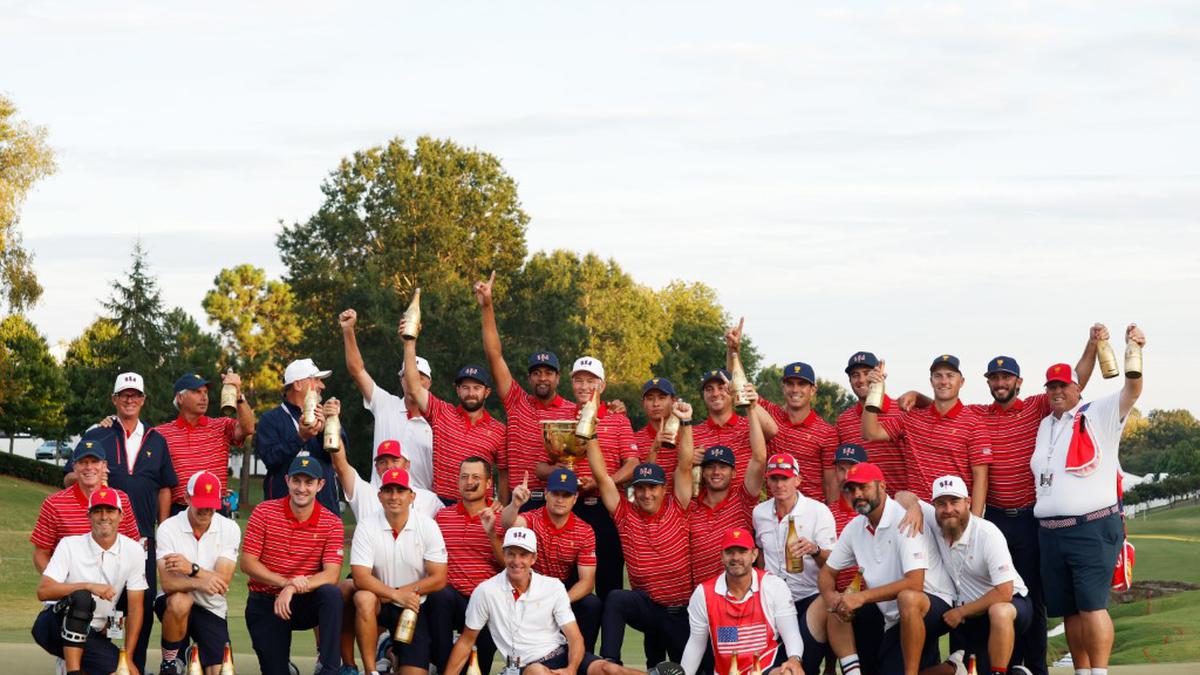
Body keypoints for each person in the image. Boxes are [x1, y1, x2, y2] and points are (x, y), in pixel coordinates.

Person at [1031, 323, 1146, 675]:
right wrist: (1091, 344)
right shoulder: (1045, 424)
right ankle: (1082, 671)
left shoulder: (1100, 413)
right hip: (1051, 533)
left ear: (1077, 387)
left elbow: (1132, 389)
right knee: (1069, 610)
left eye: (1063, 385)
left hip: (1091, 527)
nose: (1056, 391)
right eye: (1051, 386)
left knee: (1093, 607)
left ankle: (1099, 672)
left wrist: (1136, 350)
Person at [63, 371, 177, 672]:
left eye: (135, 395)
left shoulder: (157, 439)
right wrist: (92, 475)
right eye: (124, 395)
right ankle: (98, 664)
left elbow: (165, 487)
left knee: (140, 602)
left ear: (143, 400)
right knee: (98, 602)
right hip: (100, 538)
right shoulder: (97, 434)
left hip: (142, 538)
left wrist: (162, 530)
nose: (130, 399)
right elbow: (68, 476)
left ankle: (132, 666)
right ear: (114, 399)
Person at [445, 527, 654, 675]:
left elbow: (574, 638)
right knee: (538, 673)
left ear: (533, 559)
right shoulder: (486, 591)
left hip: (562, 656)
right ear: (504, 555)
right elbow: (466, 642)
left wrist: (571, 669)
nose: (517, 561)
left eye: (523, 555)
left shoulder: (553, 587)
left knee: (610, 669)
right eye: (511, 554)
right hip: (525, 666)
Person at [819, 463, 956, 675]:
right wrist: (831, 598)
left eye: (864, 487)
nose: (857, 494)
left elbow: (915, 583)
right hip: (891, 611)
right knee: (837, 604)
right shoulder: (855, 527)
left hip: (932, 603)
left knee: (907, 598)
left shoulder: (905, 518)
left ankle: (952, 670)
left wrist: (861, 597)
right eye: (851, 489)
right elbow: (828, 572)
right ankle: (853, 671)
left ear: (882, 486)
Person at [591, 401, 695, 666]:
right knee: (616, 598)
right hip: (648, 608)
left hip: (680, 613)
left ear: (663, 489)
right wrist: (590, 433)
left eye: (653, 488)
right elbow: (602, 477)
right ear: (633, 491)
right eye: (641, 489)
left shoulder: (678, 504)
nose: (647, 494)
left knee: (682, 670)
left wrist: (686, 423)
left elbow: (684, 466)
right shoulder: (625, 513)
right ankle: (610, 664)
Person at [538, 355, 640, 600]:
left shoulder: (617, 420)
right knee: (569, 583)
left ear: (602, 386)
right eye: (579, 381)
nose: (584, 387)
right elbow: (540, 468)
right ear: (572, 385)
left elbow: (633, 464)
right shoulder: (562, 418)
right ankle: (569, 638)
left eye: (591, 381)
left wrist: (605, 482)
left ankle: (609, 640)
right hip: (570, 510)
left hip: (607, 511)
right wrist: (561, 471)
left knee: (609, 584)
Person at [474, 272, 577, 510]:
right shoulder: (516, 401)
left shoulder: (573, 412)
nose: (542, 378)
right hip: (520, 501)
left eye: (548, 373)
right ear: (529, 377)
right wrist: (487, 307)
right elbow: (494, 355)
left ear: (558, 377)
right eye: (537, 373)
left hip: (558, 499)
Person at [241, 454, 345, 675]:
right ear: (287, 481)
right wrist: (284, 582)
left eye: (309, 482)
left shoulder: (332, 522)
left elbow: (332, 575)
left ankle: (329, 669)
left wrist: (292, 587)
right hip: (267, 600)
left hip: (306, 602)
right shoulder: (264, 512)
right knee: (275, 671)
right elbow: (248, 563)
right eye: (297, 481)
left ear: (321, 485)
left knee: (331, 595)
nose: (302, 488)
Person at [921, 475, 1033, 675]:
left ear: (968, 502)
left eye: (955, 501)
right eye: (941, 504)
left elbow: (1004, 592)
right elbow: (905, 497)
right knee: (957, 670)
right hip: (972, 619)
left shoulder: (988, 533)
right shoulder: (938, 522)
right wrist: (912, 508)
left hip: (1010, 606)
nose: (948, 510)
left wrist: (961, 613)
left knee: (1000, 610)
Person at [33, 488, 148, 675]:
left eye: (110, 511)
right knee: (82, 597)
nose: (104, 517)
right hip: (53, 625)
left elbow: (136, 607)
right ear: (89, 516)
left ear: (121, 516)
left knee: (123, 672)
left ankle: (76, 664)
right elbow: (43, 591)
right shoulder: (69, 544)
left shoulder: (134, 550)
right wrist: (87, 585)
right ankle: (73, 671)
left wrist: (127, 657)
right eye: (97, 511)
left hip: (93, 633)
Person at [349, 467, 448, 675]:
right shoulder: (367, 526)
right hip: (379, 602)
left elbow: (439, 578)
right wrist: (395, 594)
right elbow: (360, 576)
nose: (394, 496)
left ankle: (390, 651)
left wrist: (403, 594)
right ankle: (370, 671)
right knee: (364, 598)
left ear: (412, 496)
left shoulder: (428, 526)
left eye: (400, 491)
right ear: (379, 495)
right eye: (388, 490)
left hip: (413, 606)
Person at [862, 356, 992, 509]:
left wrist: (974, 525)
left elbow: (981, 479)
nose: (943, 381)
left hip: (953, 515)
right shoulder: (912, 417)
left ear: (961, 382)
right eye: (938, 376)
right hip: (916, 515)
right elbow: (870, 433)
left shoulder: (974, 424)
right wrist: (872, 390)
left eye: (950, 376)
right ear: (931, 381)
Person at [401, 317, 507, 505]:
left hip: (481, 507)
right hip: (442, 504)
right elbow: (415, 388)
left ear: (487, 392)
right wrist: (410, 343)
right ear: (457, 390)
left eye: (477, 388)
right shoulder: (442, 413)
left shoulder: (499, 430)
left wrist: (503, 504)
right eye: (465, 387)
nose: (471, 393)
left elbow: (504, 474)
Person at [751, 452, 837, 675]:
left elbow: (834, 562)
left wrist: (814, 549)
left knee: (805, 665)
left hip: (808, 597)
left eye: (785, 478)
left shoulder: (818, 511)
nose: (780, 484)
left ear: (797, 480)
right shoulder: (759, 512)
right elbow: (760, 551)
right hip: (772, 600)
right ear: (767, 480)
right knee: (773, 666)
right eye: (774, 478)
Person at [681, 528, 807, 675]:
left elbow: (791, 632)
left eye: (742, 551)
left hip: (766, 668)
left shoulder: (773, 585)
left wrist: (794, 660)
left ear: (754, 555)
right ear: (721, 556)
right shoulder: (703, 593)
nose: (736, 557)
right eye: (729, 552)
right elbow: (696, 643)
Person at [502, 468, 602, 651]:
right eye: (556, 493)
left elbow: (587, 583)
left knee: (591, 604)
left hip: (563, 591)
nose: (560, 499)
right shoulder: (531, 519)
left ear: (575, 498)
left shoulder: (585, 530)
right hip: (531, 589)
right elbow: (508, 524)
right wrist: (515, 505)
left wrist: (557, 601)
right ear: (546, 494)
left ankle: (583, 660)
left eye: (566, 495)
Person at [154, 470, 241, 675]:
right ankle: (170, 661)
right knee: (180, 601)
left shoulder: (230, 528)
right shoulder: (168, 528)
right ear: (186, 498)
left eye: (211, 503)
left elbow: (222, 582)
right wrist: (201, 581)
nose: (206, 509)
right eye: (201, 502)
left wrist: (190, 569)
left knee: (219, 671)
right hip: (173, 603)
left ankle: (189, 654)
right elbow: (168, 583)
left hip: (211, 608)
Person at [340, 307, 435, 491]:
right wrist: (348, 330)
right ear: (401, 381)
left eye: (419, 377)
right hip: (380, 497)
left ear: (429, 383)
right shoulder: (385, 404)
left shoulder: (439, 419)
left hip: (421, 505)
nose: (412, 381)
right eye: (407, 376)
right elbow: (357, 370)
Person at [428, 457, 506, 675]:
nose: (469, 481)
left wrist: (492, 535)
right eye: (464, 477)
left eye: (476, 477)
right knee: (440, 595)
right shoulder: (442, 517)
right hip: (451, 599)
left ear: (489, 483)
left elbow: (509, 566)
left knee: (476, 668)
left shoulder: (501, 518)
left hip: (485, 601)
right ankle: (443, 667)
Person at [686, 381, 768, 588]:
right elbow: (680, 470)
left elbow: (759, 457)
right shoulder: (691, 505)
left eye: (722, 467)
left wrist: (750, 408)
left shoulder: (743, 499)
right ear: (702, 472)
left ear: (733, 472)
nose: (716, 472)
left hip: (740, 592)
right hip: (702, 597)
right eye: (710, 467)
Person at [32, 443, 142, 573]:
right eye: (83, 462)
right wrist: (58, 584)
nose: (89, 467)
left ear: (104, 466)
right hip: (73, 587)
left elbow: (134, 546)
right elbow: (41, 553)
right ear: (74, 467)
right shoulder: (54, 503)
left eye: (94, 462)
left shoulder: (121, 499)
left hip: (116, 584)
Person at [155, 372, 255, 514]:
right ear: (180, 398)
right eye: (197, 392)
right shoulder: (161, 433)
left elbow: (248, 427)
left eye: (206, 392)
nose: (204, 397)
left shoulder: (221, 426)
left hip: (215, 509)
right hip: (180, 512)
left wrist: (238, 396)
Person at [255, 359, 343, 513]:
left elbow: (342, 457)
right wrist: (300, 438)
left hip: (325, 514)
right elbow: (270, 459)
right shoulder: (270, 419)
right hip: (282, 516)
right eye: (316, 380)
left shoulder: (325, 416)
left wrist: (325, 430)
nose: (322, 386)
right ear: (297, 384)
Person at [757, 362, 840, 505]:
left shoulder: (826, 432)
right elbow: (738, 387)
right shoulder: (770, 415)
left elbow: (830, 485)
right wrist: (733, 350)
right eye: (790, 384)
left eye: (802, 384)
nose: (795, 389)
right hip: (775, 513)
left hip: (811, 514)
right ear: (783, 388)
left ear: (813, 389)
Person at [836, 352, 908, 493]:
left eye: (867, 373)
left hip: (900, 502)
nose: (862, 380)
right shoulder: (843, 421)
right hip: (862, 503)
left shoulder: (901, 410)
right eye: (855, 375)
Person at [637, 377, 685, 492]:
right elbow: (640, 482)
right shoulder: (635, 439)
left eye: (662, 398)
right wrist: (653, 449)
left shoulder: (687, 433)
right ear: (643, 403)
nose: (656, 404)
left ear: (673, 401)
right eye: (650, 399)